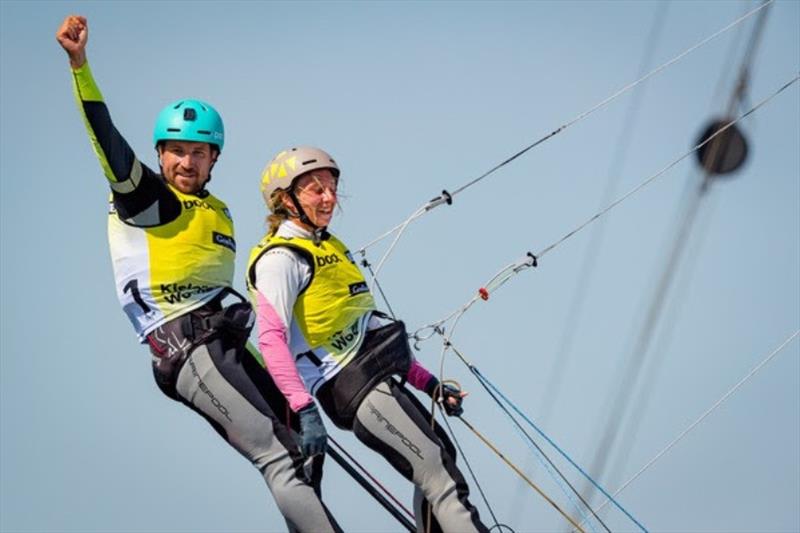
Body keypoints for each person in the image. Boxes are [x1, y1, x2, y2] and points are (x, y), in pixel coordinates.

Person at [56, 16, 341, 533]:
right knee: (278, 456)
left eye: (199, 152)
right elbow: (107, 141)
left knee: (306, 446)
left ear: (214, 159)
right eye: (177, 150)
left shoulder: (218, 211)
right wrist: (80, 67)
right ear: (161, 154)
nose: (187, 162)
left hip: (225, 340)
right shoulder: (149, 200)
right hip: (184, 348)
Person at [246, 146, 490, 532]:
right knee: (441, 477)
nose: (328, 198)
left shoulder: (329, 247)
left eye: (331, 188)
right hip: (353, 389)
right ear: (284, 200)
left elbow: (369, 332)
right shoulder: (281, 259)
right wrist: (303, 409)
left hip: (377, 377)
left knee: (442, 459)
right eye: (314, 189)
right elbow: (271, 340)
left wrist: (431, 385)